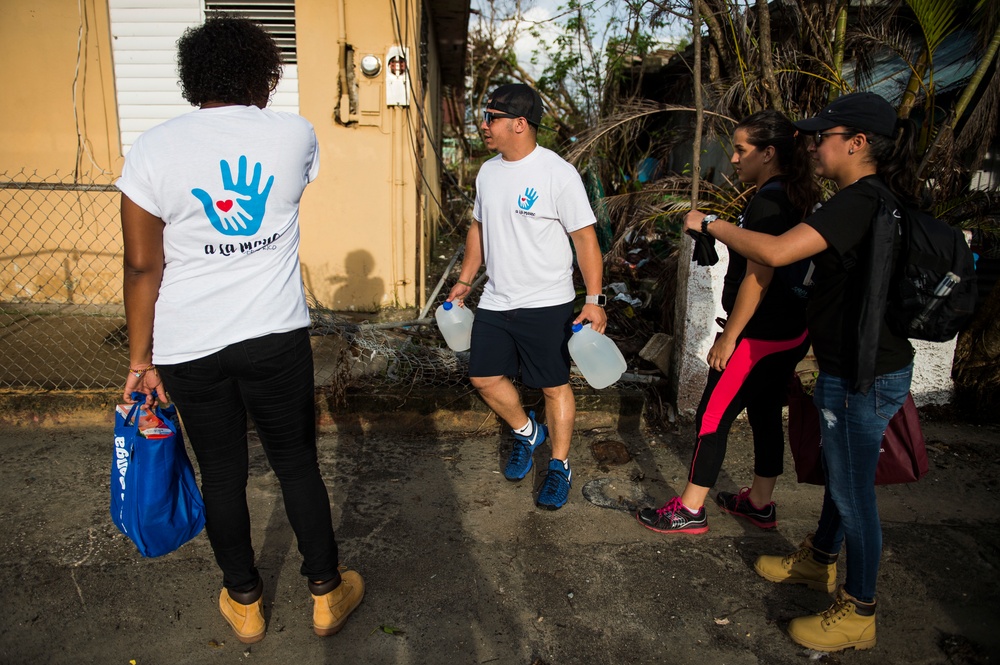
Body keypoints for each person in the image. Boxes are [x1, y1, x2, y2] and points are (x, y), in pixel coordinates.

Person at [117, 16, 363, 644]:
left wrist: (141, 359)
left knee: (222, 473)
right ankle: (327, 594)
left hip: (188, 342)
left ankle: (246, 602)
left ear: (190, 75)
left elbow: (144, 264)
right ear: (264, 73)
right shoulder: (293, 134)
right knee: (297, 464)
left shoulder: (152, 148)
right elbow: (287, 195)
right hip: (273, 333)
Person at [683, 91, 918, 652]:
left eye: (825, 136)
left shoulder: (859, 199)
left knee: (854, 493)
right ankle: (817, 561)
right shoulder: (869, 199)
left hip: (863, 373)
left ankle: (859, 609)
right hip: (855, 365)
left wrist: (711, 223)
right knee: (844, 483)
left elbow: (779, 252)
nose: (813, 145)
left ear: (857, 144)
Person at [636, 110, 819, 535]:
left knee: (712, 416)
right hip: (791, 331)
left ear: (769, 153)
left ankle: (690, 509)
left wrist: (729, 338)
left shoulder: (770, 200)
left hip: (758, 337)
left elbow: (759, 276)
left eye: (741, 150)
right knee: (766, 412)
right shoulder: (796, 194)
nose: (734, 159)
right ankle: (759, 503)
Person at [446, 83, 607, 510]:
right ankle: (525, 431)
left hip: (547, 302)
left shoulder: (557, 173)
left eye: (491, 117)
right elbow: (478, 228)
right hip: (497, 300)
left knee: (554, 387)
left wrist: (594, 298)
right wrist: (466, 279)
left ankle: (559, 465)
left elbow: (585, 239)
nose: (483, 125)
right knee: (483, 377)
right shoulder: (488, 172)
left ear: (519, 123)